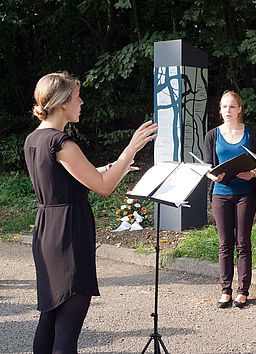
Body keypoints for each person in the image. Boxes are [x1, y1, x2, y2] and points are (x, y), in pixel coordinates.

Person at [24, 72, 157, 353]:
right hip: (69, 233)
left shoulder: (33, 139)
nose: (81, 102)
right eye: (76, 97)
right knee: (67, 328)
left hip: (47, 230)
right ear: (62, 103)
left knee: (49, 316)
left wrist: (112, 166)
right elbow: (103, 187)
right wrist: (130, 149)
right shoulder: (61, 142)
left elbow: (67, 180)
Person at [204, 90, 256, 309]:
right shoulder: (213, 135)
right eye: (223, 107)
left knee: (243, 242)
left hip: (245, 193)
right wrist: (212, 174)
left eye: (231, 107)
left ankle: (243, 291)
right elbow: (207, 166)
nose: (227, 111)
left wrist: (254, 172)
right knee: (224, 243)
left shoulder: (251, 133)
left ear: (239, 109)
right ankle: (225, 290)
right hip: (220, 193)